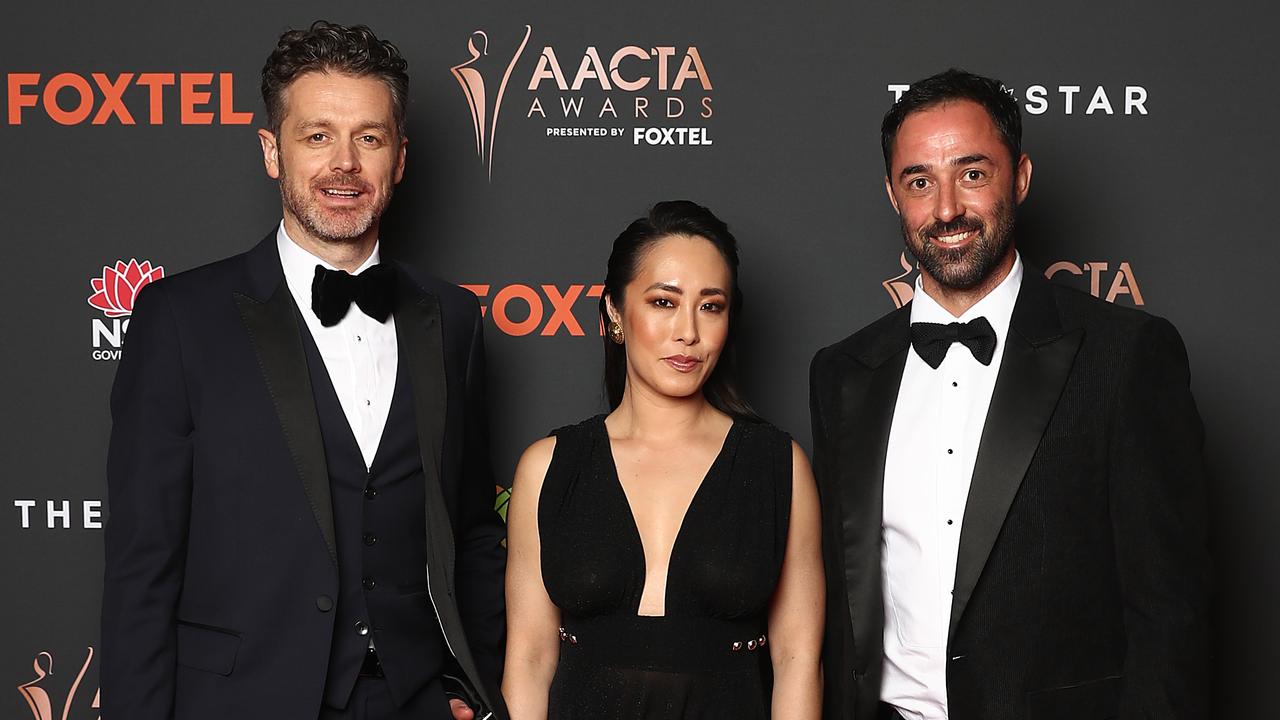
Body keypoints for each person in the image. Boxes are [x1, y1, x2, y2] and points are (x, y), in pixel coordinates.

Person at [101, 21, 506, 720]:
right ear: (271, 152)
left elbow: (469, 533)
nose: (343, 165)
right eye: (317, 135)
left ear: (400, 158)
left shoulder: (454, 319)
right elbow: (142, 567)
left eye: (369, 138)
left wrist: (473, 685)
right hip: (238, 700)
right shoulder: (178, 319)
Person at [809, 68, 1212, 720]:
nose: (946, 210)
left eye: (972, 174)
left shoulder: (1125, 357)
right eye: (920, 182)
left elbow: (1170, 616)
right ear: (892, 194)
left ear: (1019, 177)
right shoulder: (841, 373)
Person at [502, 201, 824, 719]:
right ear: (614, 313)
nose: (689, 333)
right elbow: (530, 658)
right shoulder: (548, 468)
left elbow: (798, 660)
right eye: (663, 302)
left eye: (711, 306)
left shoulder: (777, 467)